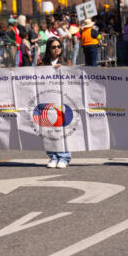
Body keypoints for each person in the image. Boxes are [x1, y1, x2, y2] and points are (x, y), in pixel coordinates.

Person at [41, 37, 72, 169]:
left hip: (62, 100)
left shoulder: (65, 62)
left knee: (61, 129)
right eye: (53, 47)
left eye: (58, 46)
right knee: (48, 129)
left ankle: (64, 157)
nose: (57, 49)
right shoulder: (42, 64)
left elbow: (73, 77)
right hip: (47, 99)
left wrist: (63, 68)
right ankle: (53, 156)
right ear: (49, 49)